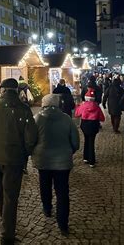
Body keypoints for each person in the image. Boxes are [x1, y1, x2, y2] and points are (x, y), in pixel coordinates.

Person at [0, 78, 37, 245]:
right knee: (11, 195)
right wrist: (25, 153)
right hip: (14, 159)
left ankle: (4, 220)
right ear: (16, 90)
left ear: (3, 90)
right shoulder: (23, 108)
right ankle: (7, 234)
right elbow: (31, 136)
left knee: (0, 192)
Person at [32, 94, 80, 237]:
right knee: (62, 192)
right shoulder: (67, 119)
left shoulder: (37, 119)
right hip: (62, 161)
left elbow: (31, 139)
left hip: (43, 160)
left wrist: (33, 152)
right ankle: (63, 223)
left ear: (44, 104)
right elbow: (76, 142)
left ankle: (47, 208)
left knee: (44, 184)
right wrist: (69, 152)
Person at [75, 89, 105, 168]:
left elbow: (77, 114)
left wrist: (78, 106)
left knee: (86, 140)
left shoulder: (83, 105)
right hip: (94, 125)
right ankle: (92, 161)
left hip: (85, 125)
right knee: (92, 142)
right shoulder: (97, 106)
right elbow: (102, 118)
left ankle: (85, 157)